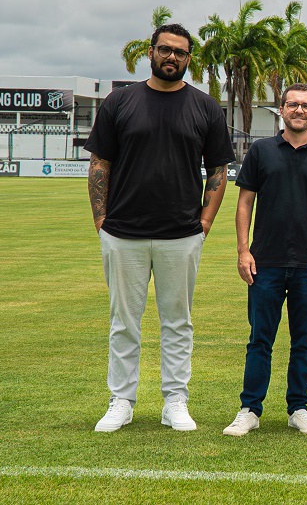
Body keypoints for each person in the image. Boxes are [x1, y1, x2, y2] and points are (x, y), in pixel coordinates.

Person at [86, 23, 234, 432]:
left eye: (181, 53)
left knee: (178, 321)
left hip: (182, 234)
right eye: (165, 50)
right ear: (150, 52)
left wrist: (204, 222)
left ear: (189, 59)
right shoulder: (120, 102)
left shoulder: (204, 107)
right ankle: (122, 400)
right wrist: (101, 220)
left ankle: (175, 401)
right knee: (123, 321)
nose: (173, 57)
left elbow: (218, 169)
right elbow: (100, 163)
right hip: (122, 232)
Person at [222, 83, 307, 437]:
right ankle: (250, 409)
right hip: (266, 263)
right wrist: (243, 250)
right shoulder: (262, 151)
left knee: (303, 340)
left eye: (306, 106)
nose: (299, 110)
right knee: (260, 338)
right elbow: (245, 202)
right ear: (282, 110)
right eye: (293, 104)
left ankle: (299, 408)